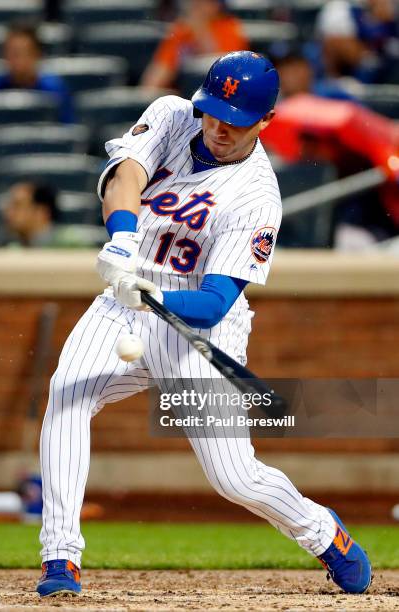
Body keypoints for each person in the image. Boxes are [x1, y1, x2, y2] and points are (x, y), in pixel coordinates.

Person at [36, 51, 372, 598]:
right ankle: (61, 558)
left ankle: (322, 533)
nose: (217, 127)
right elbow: (126, 177)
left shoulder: (258, 197)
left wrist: (153, 294)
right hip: (122, 299)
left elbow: (216, 301)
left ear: (265, 121)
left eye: (234, 121)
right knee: (66, 395)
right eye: (213, 112)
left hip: (196, 329)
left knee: (233, 476)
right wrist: (123, 237)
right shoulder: (174, 113)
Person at [0, 23, 75, 124]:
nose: (16, 60)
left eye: (22, 53)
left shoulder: (54, 90)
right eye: (12, 53)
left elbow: (66, 128)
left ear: (37, 54)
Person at [141, 0, 248, 89]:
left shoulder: (230, 28)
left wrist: (200, 29)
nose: (197, 5)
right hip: (185, 102)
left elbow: (225, 77)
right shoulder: (181, 31)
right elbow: (154, 81)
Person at [316, 0, 399, 83]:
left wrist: (385, 20)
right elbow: (335, 43)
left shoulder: (390, 8)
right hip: (359, 66)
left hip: (387, 61)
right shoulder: (340, 7)